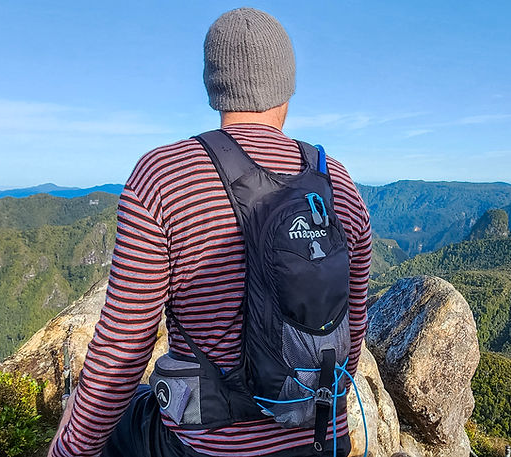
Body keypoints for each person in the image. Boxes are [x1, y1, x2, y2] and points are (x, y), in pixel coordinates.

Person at [48, 8, 371, 457]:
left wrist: (69, 448)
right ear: (288, 84)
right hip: (321, 440)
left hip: (209, 446)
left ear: (213, 85)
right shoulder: (337, 183)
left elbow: (125, 345)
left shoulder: (162, 175)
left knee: (124, 415)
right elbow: (352, 333)